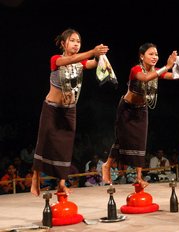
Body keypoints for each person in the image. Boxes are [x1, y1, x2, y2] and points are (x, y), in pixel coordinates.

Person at [30, 28, 109, 196]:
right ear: (63, 43)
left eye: (78, 41)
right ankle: (35, 178)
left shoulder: (80, 62)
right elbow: (73, 59)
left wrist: (99, 54)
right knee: (44, 142)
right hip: (51, 108)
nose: (76, 44)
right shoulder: (56, 59)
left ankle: (61, 183)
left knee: (65, 147)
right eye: (72, 40)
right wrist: (91, 52)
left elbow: (92, 63)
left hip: (69, 110)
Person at [102, 42, 179, 188]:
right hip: (126, 108)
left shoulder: (157, 71)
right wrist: (167, 66)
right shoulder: (136, 69)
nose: (154, 57)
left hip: (141, 110)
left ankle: (139, 177)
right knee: (121, 140)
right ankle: (107, 165)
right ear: (141, 56)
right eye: (151, 54)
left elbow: (177, 76)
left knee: (140, 142)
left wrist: (177, 63)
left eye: (156, 54)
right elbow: (144, 78)